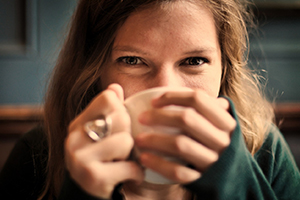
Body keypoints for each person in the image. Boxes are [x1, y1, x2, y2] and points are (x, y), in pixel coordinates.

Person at [0, 0, 299, 199]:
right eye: (132, 60)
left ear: (225, 68)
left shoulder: (264, 152)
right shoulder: (37, 156)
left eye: (194, 61)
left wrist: (237, 185)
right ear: (95, 70)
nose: (166, 90)